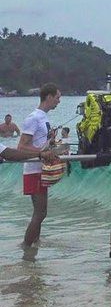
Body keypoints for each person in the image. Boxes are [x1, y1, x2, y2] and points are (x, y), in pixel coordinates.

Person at [18, 82, 61, 249]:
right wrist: (41, 153)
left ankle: (35, 244)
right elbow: (22, 147)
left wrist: (50, 141)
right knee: (41, 212)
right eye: (57, 98)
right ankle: (26, 247)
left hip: (41, 170)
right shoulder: (33, 118)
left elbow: (38, 143)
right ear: (48, 97)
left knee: (40, 213)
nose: (59, 101)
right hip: (33, 170)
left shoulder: (44, 117)